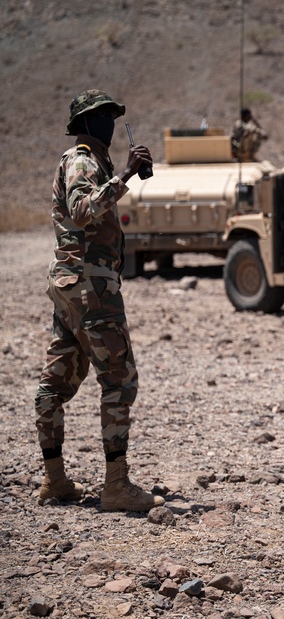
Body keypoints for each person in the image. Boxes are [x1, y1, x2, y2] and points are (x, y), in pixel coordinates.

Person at [35, 89, 164, 512]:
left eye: (113, 116)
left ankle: (55, 481)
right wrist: (125, 174)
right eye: (105, 116)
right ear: (88, 123)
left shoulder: (91, 161)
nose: (111, 123)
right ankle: (116, 485)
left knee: (57, 381)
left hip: (73, 286)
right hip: (92, 287)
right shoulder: (82, 160)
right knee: (119, 378)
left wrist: (122, 172)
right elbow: (82, 210)